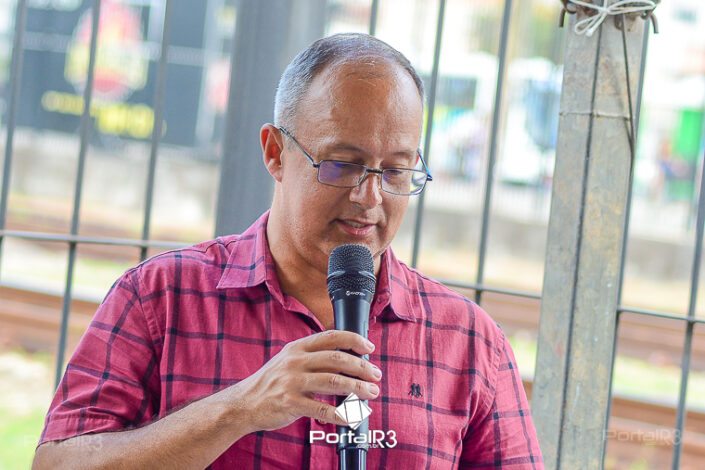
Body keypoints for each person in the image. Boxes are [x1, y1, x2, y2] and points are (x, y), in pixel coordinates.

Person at [33, 33, 542, 469]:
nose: (369, 197)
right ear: (275, 152)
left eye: (395, 171)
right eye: (342, 164)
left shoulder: (469, 342)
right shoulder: (160, 297)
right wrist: (239, 409)